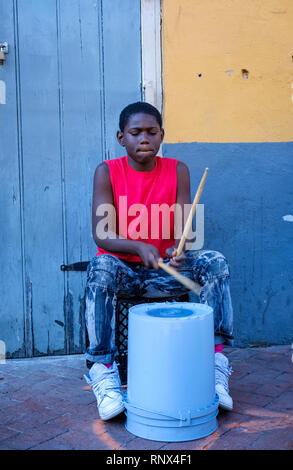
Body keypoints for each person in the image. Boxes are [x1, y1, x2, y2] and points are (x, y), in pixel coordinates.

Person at [84, 102, 234, 421]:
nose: (144, 139)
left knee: (214, 262)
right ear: (121, 137)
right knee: (100, 268)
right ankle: (103, 370)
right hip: (124, 270)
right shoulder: (106, 171)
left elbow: (185, 228)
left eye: (152, 132)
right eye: (135, 132)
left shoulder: (177, 169)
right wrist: (138, 246)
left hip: (165, 271)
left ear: (161, 135)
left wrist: (179, 249)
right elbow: (101, 233)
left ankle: (217, 365)